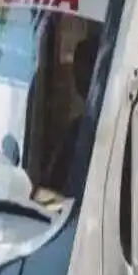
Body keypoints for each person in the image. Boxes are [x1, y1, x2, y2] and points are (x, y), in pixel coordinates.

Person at [45, 34, 100, 195]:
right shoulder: (77, 128)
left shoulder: (83, 132)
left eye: (83, 71)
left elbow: (53, 193)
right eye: (77, 71)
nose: (77, 78)